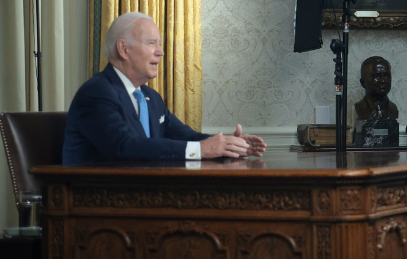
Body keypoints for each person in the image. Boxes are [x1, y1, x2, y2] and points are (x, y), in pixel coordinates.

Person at [63, 12, 266, 164]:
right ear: (123, 49)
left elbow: (188, 137)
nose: (160, 52)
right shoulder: (96, 93)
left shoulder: (151, 97)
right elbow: (124, 147)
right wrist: (201, 150)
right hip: (96, 202)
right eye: (152, 43)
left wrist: (229, 145)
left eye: (159, 44)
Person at [354, 55, 399, 121]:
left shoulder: (393, 109)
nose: (383, 81)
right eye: (376, 76)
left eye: (386, 75)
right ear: (363, 82)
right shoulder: (359, 107)